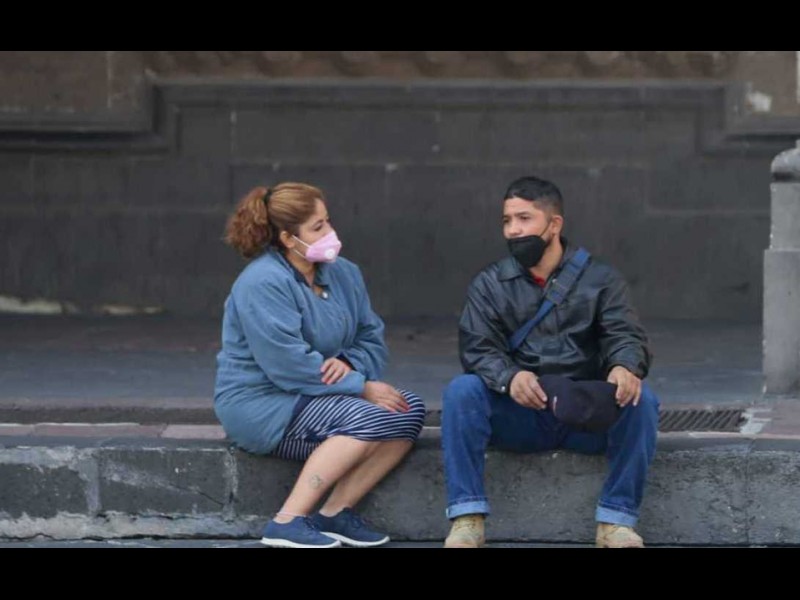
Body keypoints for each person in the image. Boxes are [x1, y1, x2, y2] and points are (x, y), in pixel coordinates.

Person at [441, 176, 659, 548]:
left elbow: (624, 335)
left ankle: (615, 522)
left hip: (584, 412)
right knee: (462, 392)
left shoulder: (601, 279)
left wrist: (624, 366)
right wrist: (510, 377)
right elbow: (478, 348)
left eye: (524, 218)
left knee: (643, 400)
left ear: (554, 224)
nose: (513, 230)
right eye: (507, 221)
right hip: (522, 413)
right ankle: (467, 519)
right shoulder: (489, 284)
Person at [214, 182, 426, 548]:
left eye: (327, 221)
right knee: (369, 415)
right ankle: (287, 521)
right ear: (287, 238)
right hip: (262, 402)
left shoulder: (345, 273)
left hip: (323, 395)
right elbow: (286, 364)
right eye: (317, 227)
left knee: (408, 410)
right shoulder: (262, 282)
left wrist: (347, 363)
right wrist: (360, 386)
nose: (330, 232)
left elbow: (372, 337)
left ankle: (334, 513)